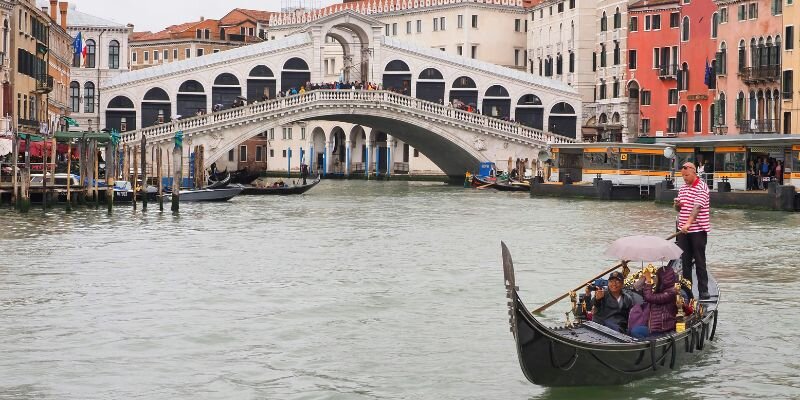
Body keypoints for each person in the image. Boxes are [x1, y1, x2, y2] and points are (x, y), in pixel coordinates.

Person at [674, 162, 711, 300]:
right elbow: (679, 209)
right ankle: (687, 291)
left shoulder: (702, 187)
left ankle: (703, 291)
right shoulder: (683, 188)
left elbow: (696, 208)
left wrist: (688, 224)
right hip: (683, 231)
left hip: (698, 230)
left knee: (700, 260)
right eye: (683, 176)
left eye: (687, 175)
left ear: (694, 172)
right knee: (685, 261)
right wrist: (677, 205)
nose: (684, 178)